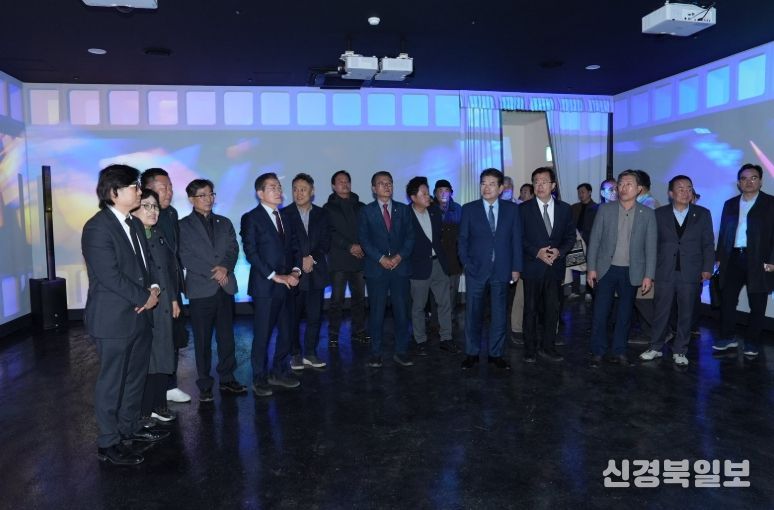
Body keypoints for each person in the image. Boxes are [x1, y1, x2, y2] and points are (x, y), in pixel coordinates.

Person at [82, 164, 168, 466]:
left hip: (139, 315)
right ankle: (108, 442)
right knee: (112, 383)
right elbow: (109, 276)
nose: (140, 191)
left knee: (134, 378)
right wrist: (144, 297)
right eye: (134, 186)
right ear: (114, 192)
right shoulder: (97, 228)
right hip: (113, 320)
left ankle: (129, 428)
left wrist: (153, 288)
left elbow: (146, 266)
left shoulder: (133, 224)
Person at [179, 179, 246, 402]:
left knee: (227, 338)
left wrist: (225, 267)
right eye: (202, 195)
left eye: (211, 194)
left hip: (225, 287)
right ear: (191, 199)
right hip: (201, 289)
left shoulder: (224, 222)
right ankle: (205, 384)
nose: (208, 199)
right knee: (202, 340)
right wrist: (213, 272)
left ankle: (227, 378)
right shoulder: (182, 226)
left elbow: (233, 248)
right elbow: (184, 256)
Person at [639, 175, 714, 366]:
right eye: (680, 189)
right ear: (671, 193)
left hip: (691, 271)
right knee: (660, 312)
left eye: (689, 188)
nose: (686, 192)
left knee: (686, 313)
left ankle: (680, 350)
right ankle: (655, 347)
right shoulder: (659, 214)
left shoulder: (703, 214)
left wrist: (707, 268)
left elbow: (708, 243)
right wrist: (649, 271)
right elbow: (651, 244)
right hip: (664, 271)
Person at [586, 170, 657, 367]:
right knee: (600, 313)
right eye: (621, 184)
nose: (623, 188)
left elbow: (651, 247)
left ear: (639, 189)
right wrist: (591, 268)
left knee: (625, 315)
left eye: (629, 184)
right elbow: (595, 240)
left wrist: (649, 275)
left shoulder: (647, 214)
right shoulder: (605, 210)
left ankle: (620, 350)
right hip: (606, 269)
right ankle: (598, 350)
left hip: (631, 271)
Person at [241, 172, 303, 395]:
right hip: (266, 286)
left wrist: (296, 271)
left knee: (287, 332)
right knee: (263, 335)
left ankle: (279, 371)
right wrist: (275, 275)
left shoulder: (286, 216)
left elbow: (295, 247)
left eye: (279, 187)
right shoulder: (251, 217)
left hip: (288, 284)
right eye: (272, 187)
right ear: (260, 193)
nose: (278, 191)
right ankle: (259, 377)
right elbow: (251, 252)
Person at [458, 168, 523, 370]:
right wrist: (467, 263)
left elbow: (516, 240)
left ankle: (496, 354)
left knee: (499, 314)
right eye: (483, 183)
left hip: (502, 269)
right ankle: (472, 353)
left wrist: (516, 267)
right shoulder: (469, 209)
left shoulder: (512, 210)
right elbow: (462, 240)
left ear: (501, 188)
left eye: (492, 184)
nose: (486, 187)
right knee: (473, 313)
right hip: (476, 270)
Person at [141, 168, 191, 404]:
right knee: (156, 341)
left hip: (172, 285)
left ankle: (170, 385)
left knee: (174, 337)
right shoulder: (142, 217)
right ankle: (154, 392)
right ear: (147, 189)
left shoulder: (171, 213)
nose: (169, 192)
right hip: (153, 289)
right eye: (163, 188)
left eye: (170, 187)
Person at [714, 163, 774, 359]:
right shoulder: (730, 204)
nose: (749, 182)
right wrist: (719, 258)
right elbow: (723, 233)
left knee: (757, 303)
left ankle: (752, 341)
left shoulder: (770, 203)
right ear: (739, 183)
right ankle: (727, 337)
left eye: (753, 178)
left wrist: (772, 260)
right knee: (728, 300)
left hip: (759, 260)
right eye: (744, 178)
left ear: (760, 181)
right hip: (732, 258)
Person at [358, 171, 415, 367]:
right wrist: (381, 258)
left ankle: (401, 351)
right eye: (381, 183)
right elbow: (364, 239)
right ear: (374, 188)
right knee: (376, 313)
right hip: (376, 269)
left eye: (389, 183)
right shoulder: (366, 211)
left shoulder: (403, 210)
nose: (387, 186)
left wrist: (399, 257)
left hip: (400, 268)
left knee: (402, 312)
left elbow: (410, 237)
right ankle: (375, 352)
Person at [519, 167, 576, 363]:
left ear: (553, 185)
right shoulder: (523, 209)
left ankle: (548, 347)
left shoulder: (565, 208)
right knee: (530, 309)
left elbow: (570, 236)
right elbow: (519, 237)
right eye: (536, 181)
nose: (539, 185)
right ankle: (530, 348)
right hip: (532, 266)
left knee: (553, 309)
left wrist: (559, 251)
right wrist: (537, 252)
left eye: (544, 181)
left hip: (555, 267)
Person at [133, 189, 179, 423]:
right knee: (149, 360)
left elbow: (168, 271)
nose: (153, 211)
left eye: (155, 206)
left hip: (163, 305)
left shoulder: (159, 233)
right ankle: (145, 409)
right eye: (146, 206)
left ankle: (159, 405)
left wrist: (173, 299)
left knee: (163, 355)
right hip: (145, 307)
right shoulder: (132, 237)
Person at [282, 173, 331, 371]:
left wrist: (312, 257)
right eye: (295, 189)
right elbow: (284, 245)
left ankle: (310, 353)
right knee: (292, 317)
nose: (298, 193)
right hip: (293, 274)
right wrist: (300, 259)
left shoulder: (322, 214)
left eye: (303, 189)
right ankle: (295, 354)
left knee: (315, 316)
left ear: (312, 191)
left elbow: (326, 241)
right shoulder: (284, 214)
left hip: (316, 272)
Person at [406, 176, 459, 355]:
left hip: (438, 264)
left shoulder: (435, 211)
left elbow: (439, 238)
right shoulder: (405, 215)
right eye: (424, 194)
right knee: (418, 307)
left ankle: (446, 338)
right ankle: (420, 340)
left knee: (445, 303)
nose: (428, 196)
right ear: (413, 197)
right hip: (418, 267)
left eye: (428, 193)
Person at [324, 170, 368, 347]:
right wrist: (349, 246)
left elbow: (367, 229)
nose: (344, 184)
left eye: (347, 181)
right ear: (333, 186)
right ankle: (333, 334)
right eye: (340, 181)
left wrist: (361, 246)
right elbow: (330, 232)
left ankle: (359, 331)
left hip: (359, 259)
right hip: (339, 260)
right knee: (337, 300)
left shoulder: (361, 206)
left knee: (359, 299)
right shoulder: (328, 208)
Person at [433, 179, 463, 320]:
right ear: (435, 193)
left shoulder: (458, 209)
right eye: (440, 190)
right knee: (435, 291)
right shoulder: (430, 208)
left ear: (451, 193)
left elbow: (463, 233)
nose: (443, 193)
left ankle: (449, 318)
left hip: (453, 257)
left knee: (452, 289)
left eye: (446, 190)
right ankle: (435, 319)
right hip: (435, 257)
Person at [572, 182, 596, 246]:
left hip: (589, 241)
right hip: (575, 239)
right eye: (579, 193)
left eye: (582, 192)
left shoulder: (596, 208)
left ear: (589, 192)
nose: (580, 195)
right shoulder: (574, 207)